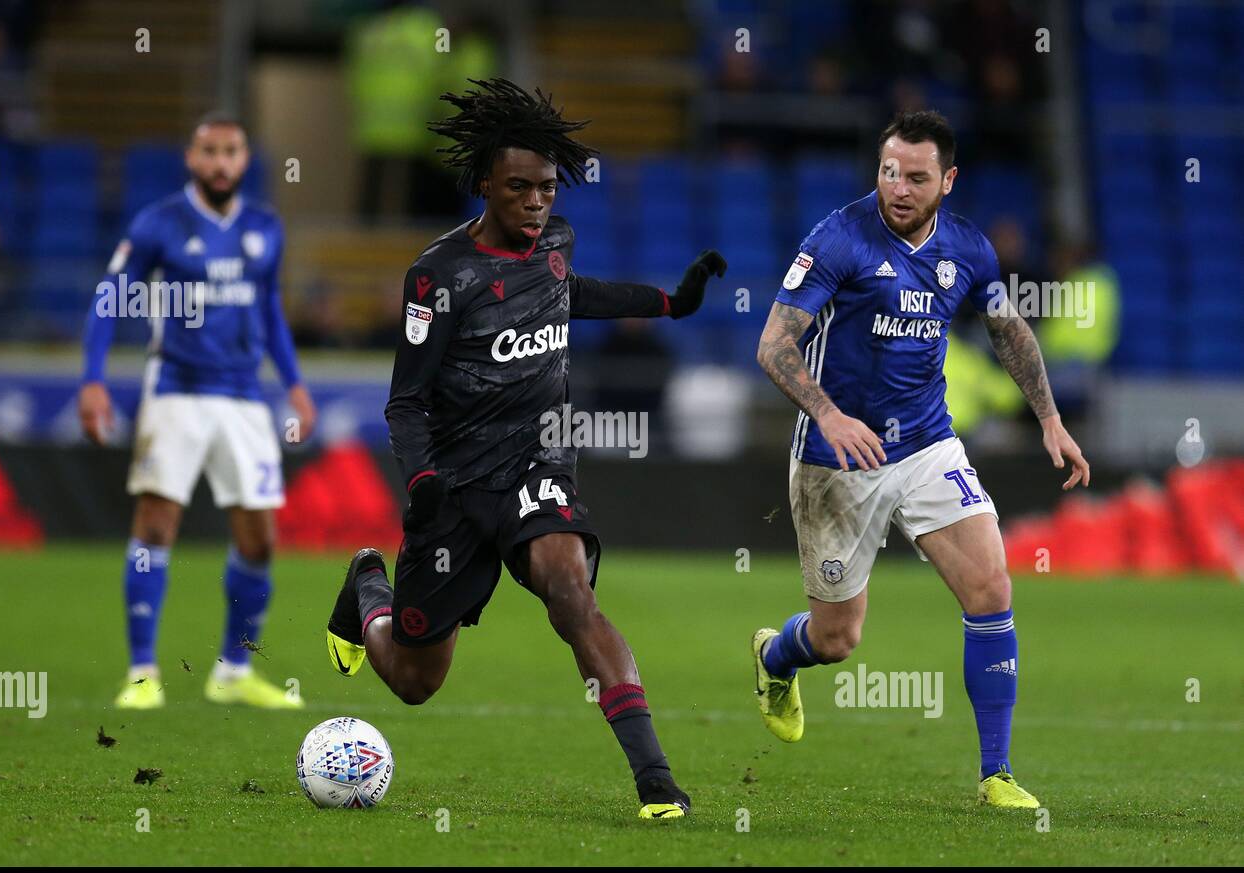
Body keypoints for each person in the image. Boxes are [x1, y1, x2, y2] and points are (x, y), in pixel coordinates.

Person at [322, 79, 725, 820]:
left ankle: (655, 780)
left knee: (571, 594)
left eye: (546, 188)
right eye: (519, 188)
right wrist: (421, 482)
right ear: (484, 184)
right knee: (415, 681)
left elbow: (573, 292)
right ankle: (367, 588)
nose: (537, 203)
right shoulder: (438, 277)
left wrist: (671, 302)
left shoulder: (556, 243)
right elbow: (405, 399)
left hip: (537, 464)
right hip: (453, 486)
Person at [752, 110, 1089, 809]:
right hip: (837, 457)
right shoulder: (838, 237)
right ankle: (775, 657)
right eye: (887, 171)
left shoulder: (967, 248)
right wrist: (829, 413)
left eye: (915, 176)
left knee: (992, 591)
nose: (897, 188)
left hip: (929, 444)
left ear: (947, 181)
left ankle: (996, 773)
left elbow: (1008, 330)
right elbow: (774, 345)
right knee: (838, 639)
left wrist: (1050, 420)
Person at [79, 113, 316, 710]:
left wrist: (294, 383)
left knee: (259, 539)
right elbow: (110, 298)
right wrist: (93, 378)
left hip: (243, 396)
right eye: (209, 151)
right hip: (177, 389)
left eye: (231, 151)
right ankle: (141, 672)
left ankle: (233, 672)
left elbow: (269, 314)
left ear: (244, 158)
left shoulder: (265, 226)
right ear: (191, 157)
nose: (219, 163)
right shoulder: (159, 223)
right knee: (156, 525)